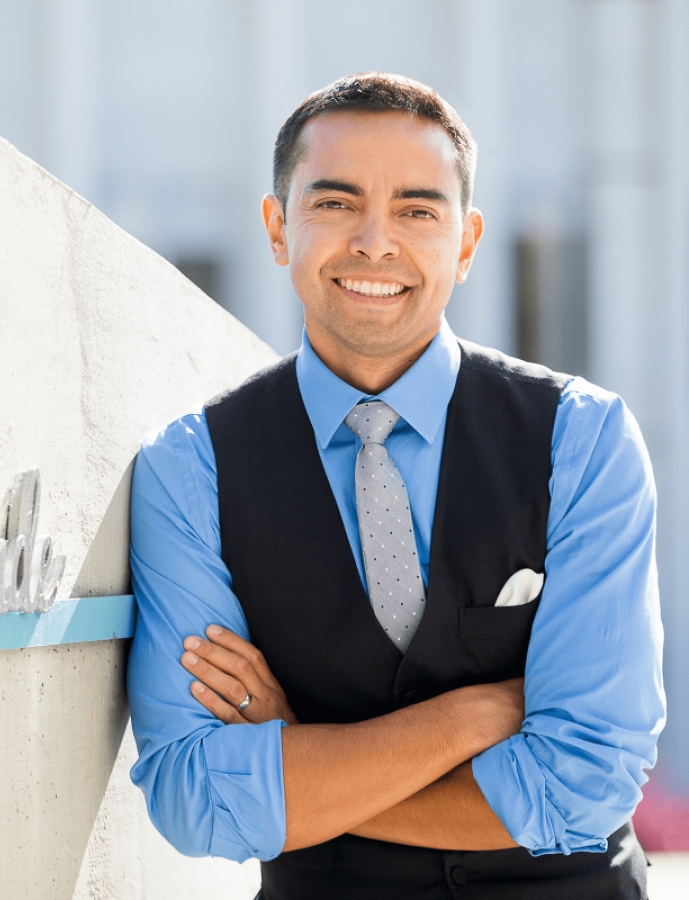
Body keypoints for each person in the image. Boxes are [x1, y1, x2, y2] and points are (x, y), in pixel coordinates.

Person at [127, 73, 665, 899]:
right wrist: (473, 716)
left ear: (467, 242)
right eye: (335, 203)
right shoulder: (190, 467)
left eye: (418, 211)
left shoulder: (584, 439)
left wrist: (302, 759)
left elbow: (583, 785)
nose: (375, 243)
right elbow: (196, 798)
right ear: (277, 228)